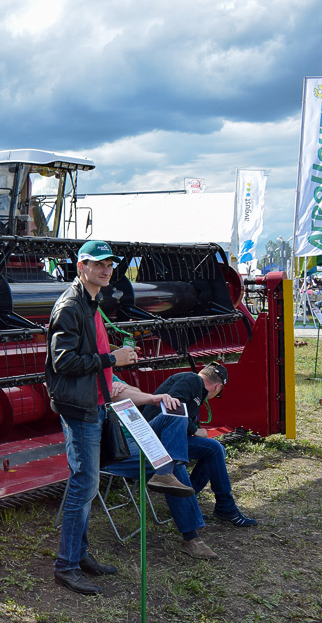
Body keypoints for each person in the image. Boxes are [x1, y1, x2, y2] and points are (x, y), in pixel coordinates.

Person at [45, 240, 194, 595]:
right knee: (84, 484)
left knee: (87, 483)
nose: (106, 269)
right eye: (98, 264)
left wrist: (108, 351)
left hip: (92, 402)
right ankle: (66, 565)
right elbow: (62, 362)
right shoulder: (70, 306)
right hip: (79, 407)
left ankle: (79, 556)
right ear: (81, 266)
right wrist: (114, 360)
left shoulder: (90, 302)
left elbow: (80, 351)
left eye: (109, 264)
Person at [110, 379, 223, 559]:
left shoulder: (107, 372)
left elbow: (135, 392)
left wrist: (124, 388)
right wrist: (114, 390)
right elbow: (104, 395)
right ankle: (191, 538)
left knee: (174, 410)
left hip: (138, 431)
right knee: (167, 459)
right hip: (112, 445)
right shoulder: (83, 374)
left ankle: (165, 473)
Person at [140, 363, 258, 532]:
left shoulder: (194, 387)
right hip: (156, 437)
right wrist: (195, 430)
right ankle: (225, 507)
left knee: (216, 450)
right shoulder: (192, 379)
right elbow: (173, 407)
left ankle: (189, 499)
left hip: (163, 436)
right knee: (214, 449)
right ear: (217, 387)